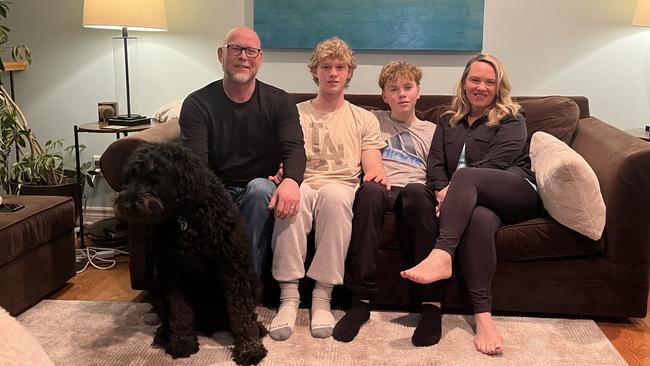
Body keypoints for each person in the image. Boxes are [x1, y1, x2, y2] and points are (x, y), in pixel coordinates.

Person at [401, 54, 544, 355]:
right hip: (470, 202)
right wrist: (441, 190)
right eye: (475, 80)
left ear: (499, 86)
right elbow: (435, 164)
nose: (481, 87)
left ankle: (442, 255)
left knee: (467, 176)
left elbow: (499, 162)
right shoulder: (447, 119)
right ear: (464, 83)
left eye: (489, 82)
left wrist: (454, 189)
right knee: (470, 216)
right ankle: (483, 318)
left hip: (514, 191)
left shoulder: (512, 118)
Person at [269, 37, 388, 341]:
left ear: (349, 72)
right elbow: (282, 155)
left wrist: (377, 174)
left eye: (340, 67)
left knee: (335, 197)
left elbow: (372, 163)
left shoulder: (364, 118)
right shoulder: (295, 112)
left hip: (342, 184)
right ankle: (289, 297)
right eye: (326, 67)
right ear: (315, 72)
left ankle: (322, 297)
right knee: (294, 194)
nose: (333, 73)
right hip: (303, 181)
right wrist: (281, 176)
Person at [332, 61, 445, 347]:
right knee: (369, 192)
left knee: (418, 195)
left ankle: (431, 304)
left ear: (419, 91)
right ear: (384, 96)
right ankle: (360, 301)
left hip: (416, 189)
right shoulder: (371, 120)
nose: (402, 94)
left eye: (408, 88)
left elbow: (439, 172)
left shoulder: (434, 131)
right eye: (393, 89)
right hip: (380, 185)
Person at [179, 26, 306, 276]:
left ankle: (246, 285)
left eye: (250, 50)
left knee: (260, 190)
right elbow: (196, 165)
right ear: (221, 54)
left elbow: (294, 147)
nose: (243, 56)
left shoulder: (279, 101)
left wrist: (291, 180)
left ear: (260, 58)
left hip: (259, 188)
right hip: (215, 187)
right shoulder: (197, 103)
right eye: (235, 48)